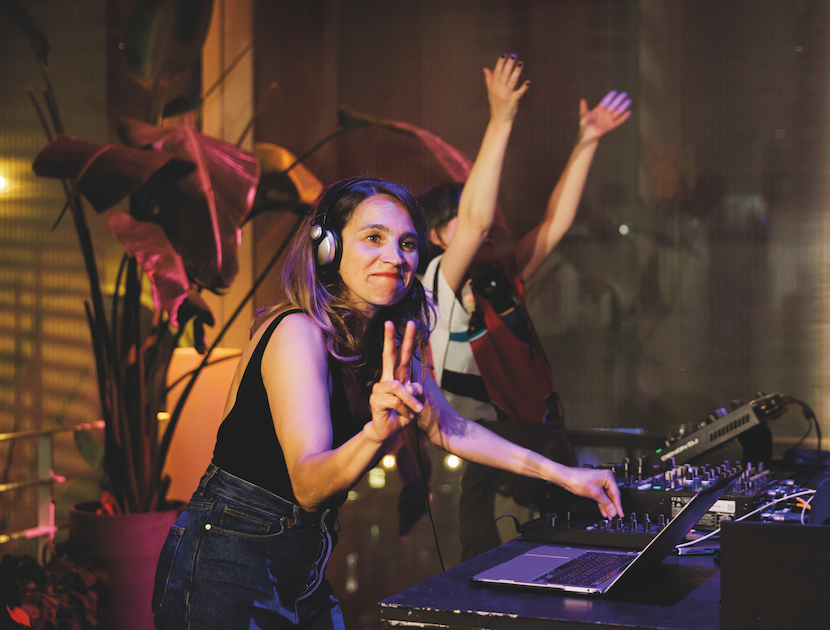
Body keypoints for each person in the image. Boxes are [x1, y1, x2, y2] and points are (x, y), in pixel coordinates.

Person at [151, 173, 624, 629]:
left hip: (301, 558)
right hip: (228, 554)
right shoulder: (297, 331)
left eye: (407, 243)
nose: (395, 257)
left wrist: (565, 475)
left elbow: (448, 427)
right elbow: (308, 486)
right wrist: (377, 433)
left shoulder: (384, 346)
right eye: (374, 238)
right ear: (328, 247)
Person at [418, 56, 631, 561]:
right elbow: (474, 221)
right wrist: (501, 118)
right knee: (507, 577)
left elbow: (555, 224)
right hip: (493, 464)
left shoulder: (499, 277)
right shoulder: (436, 284)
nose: (487, 218)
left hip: (542, 448)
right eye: (469, 212)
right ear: (436, 236)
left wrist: (587, 141)